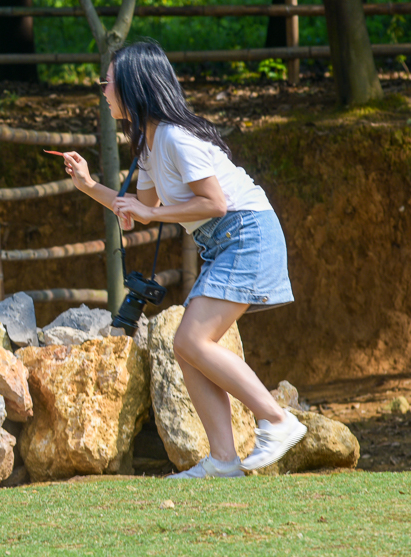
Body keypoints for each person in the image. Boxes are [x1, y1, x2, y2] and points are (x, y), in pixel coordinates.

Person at [58, 39, 304, 478]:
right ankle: (224, 461)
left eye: (107, 83)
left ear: (134, 86)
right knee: (187, 346)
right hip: (226, 240)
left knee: (191, 341)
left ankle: (277, 419)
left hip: (245, 233)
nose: (103, 90)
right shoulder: (150, 144)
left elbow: (215, 203)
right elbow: (143, 207)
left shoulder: (174, 137)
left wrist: (149, 211)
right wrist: (90, 185)